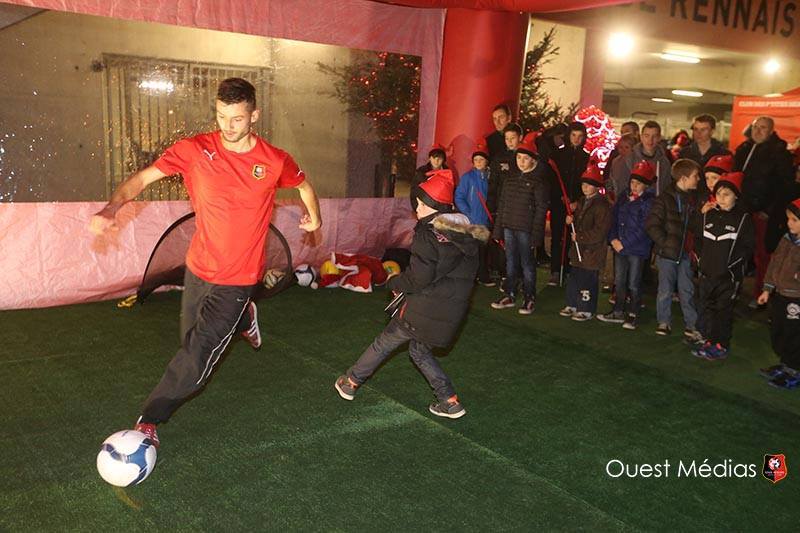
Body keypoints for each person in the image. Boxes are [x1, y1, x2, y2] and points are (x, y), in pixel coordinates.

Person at [88, 78, 322, 447]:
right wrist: (112, 207)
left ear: (254, 116)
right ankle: (246, 316)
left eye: (237, 119)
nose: (228, 126)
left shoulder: (274, 160)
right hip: (199, 267)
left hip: (239, 278)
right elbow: (144, 179)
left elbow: (304, 186)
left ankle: (149, 420)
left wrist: (315, 217)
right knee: (187, 340)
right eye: (221, 116)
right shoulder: (195, 150)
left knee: (196, 358)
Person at [334, 169, 488, 418]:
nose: (416, 207)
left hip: (423, 308)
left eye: (420, 203)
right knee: (419, 350)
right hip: (450, 309)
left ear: (432, 206)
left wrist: (393, 281)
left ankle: (350, 382)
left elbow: (419, 277)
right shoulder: (465, 235)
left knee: (385, 342)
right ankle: (449, 401)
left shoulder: (427, 235)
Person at [690, 172, 755, 360]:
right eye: (719, 194)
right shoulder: (708, 215)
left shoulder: (742, 219)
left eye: (726, 194)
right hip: (708, 274)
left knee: (723, 311)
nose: (721, 198)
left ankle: (721, 344)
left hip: (728, 277)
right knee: (708, 308)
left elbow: (747, 247)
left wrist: (732, 270)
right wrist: (701, 262)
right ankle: (710, 340)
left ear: (736, 195)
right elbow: (697, 239)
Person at [733, 116, 795, 307]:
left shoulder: (779, 153)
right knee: (737, 250)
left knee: (763, 255)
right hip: (741, 208)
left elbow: (784, 187)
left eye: (763, 128)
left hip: (763, 213)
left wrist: (769, 211)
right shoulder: (744, 149)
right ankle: (733, 288)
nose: (758, 131)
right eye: (755, 127)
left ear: (771, 131)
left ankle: (761, 293)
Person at [490, 137, 551, 314]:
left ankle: (529, 297)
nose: (521, 162)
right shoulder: (510, 179)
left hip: (526, 229)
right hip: (509, 226)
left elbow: (541, 210)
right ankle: (510, 293)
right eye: (518, 158)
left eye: (525, 158)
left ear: (533, 159)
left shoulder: (538, 181)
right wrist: (498, 230)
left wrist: (536, 235)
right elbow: (502, 204)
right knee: (510, 262)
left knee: (527, 264)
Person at [645, 159, 703, 340]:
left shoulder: (693, 199)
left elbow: (693, 226)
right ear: (684, 178)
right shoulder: (664, 198)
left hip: (685, 253)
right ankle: (664, 322)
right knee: (665, 289)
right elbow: (652, 225)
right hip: (668, 253)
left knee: (687, 290)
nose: (698, 179)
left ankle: (692, 325)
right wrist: (665, 243)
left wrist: (702, 214)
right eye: (695, 176)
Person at [597, 161, 655, 330]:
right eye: (632, 182)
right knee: (619, 280)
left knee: (634, 283)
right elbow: (613, 219)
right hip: (619, 247)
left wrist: (624, 243)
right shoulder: (623, 197)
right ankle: (618, 310)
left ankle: (633, 312)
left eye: (638, 183)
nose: (634, 186)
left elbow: (644, 228)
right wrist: (613, 238)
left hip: (635, 249)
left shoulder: (648, 202)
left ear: (646, 185)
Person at [558, 163, 612, 321]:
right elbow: (578, 221)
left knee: (588, 281)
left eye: (589, 184)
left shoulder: (602, 206)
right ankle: (572, 304)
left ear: (596, 187)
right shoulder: (582, 202)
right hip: (578, 250)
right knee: (575, 277)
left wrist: (580, 237)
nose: (585, 187)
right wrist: (570, 219)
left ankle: (586, 309)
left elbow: (600, 232)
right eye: (583, 184)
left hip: (592, 252)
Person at [757, 198, 800, 389]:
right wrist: (767, 289)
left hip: (796, 298)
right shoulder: (785, 239)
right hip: (780, 294)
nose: (789, 223)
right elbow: (774, 264)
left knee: (794, 334)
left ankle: (794, 369)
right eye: (788, 219)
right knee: (779, 330)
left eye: (794, 220)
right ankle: (786, 364)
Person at [550, 122, 590, 285]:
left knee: (573, 237)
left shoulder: (586, 157)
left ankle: (568, 269)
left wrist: (577, 201)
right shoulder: (558, 155)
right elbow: (552, 179)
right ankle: (555, 270)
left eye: (580, 136)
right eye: (573, 135)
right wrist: (561, 197)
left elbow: (586, 180)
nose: (576, 139)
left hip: (576, 204)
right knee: (557, 236)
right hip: (559, 203)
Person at [455, 142, 494, 286]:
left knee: (484, 249)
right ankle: (476, 276)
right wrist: (468, 212)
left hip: (487, 219)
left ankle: (482, 274)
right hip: (473, 219)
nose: (478, 162)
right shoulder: (468, 177)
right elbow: (459, 196)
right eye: (476, 160)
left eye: (481, 159)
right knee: (474, 249)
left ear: (486, 161)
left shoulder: (491, 177)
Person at [623, 121, 672, 196]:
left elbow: (666, 186)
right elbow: (623, 184)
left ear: (659, 138)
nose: (650, 140)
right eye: (647, 136)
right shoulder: (630, 158)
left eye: (654, 136)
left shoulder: (664, 162)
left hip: (656, 204)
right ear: (641, 137)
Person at [411, 144, 449, 210]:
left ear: (443, 160)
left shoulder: (448, 173)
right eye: (434, 158)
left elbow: (450, 190)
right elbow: (414, 191)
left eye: (439, 158)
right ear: (430, 158)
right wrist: (416, 208)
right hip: (425, 207)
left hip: (442, 208)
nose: (436, 161)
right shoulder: (421, 172)